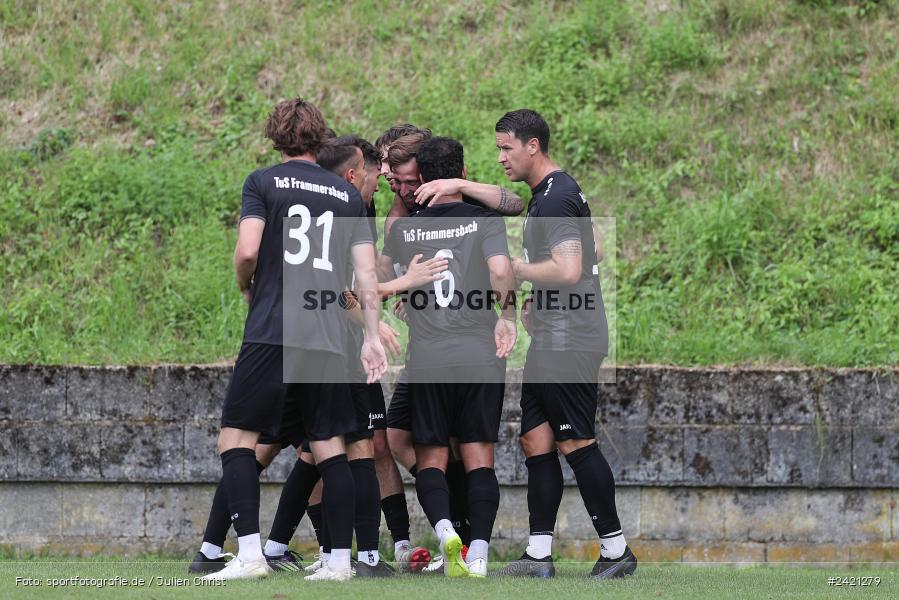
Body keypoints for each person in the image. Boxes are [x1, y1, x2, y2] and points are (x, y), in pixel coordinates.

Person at [201, 98, 387, 582]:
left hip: (274, 326)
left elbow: (247, 250)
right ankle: (341, 563)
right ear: (320, 136)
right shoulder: (348, 196)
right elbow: (365, 274)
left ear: (275, 135)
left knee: (236, 439)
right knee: (330, 446)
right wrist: (371, 336)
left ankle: (248, 556)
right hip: (327, 333)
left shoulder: (262, 182)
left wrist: (247, 284)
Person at [492, 109, 637, 580]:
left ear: (532, 145)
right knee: (536, 439)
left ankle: (616, 552)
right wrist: (541, 296)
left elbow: (570, 268)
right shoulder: (554, 192)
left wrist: (521, 271)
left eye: (506, 148)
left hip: (570, 336)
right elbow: (591, 248)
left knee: (575, 439)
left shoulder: (554, 199)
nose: (501, 158)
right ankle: (538, 556)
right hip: (555, 331)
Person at [381, 136, 517, 577]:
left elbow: (387, 280)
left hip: (429, 357)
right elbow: (500, 270)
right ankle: (477, 553)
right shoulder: (484, 219)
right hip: (479, 352)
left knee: (432, 457)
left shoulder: (404, 228)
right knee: (478, 455)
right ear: (461, 170)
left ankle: (444, 532)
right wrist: (507, 315)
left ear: (421, 176)